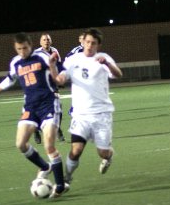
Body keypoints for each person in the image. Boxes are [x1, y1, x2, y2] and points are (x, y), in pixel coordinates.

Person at [0, 32, 68, 199]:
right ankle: (44, 167)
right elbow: (8, 80)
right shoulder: (16, 62)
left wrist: (54, 68)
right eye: (19, 49)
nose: (22, 51)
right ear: (15, 47)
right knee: (20, 144)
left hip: (48, 104)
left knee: (49, 145)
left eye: (25, 48)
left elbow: (59, 75)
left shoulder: (42, 57)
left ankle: (60, 186)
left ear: (31, 45)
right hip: (30, 107)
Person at [49, 27, 122, 184]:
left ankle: (108, 157)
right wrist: (52, 66)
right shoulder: (73, 60)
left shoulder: (103, 58)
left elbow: (118, 74)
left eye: (93, 43)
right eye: (87, 42)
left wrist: (108, 64)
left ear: (98, 45)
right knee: (76, 151)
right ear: (83, 42)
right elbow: (60, 81)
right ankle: (66, 179)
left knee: (103, 152)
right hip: (81, 115)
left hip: (101, 114)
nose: (89, 45)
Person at [32, 33, 65, 144]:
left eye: (48, 39)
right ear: (40, 42)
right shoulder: (36, 53)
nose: (46, 41)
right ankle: (36, 130)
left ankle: (57, 128)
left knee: (58, 106)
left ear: (51, 41)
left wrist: (61, 77)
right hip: (39, 85)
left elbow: (59, 66)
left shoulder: (55, 51)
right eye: (44, 39)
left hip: (51, 84)